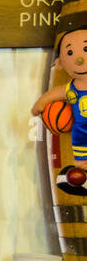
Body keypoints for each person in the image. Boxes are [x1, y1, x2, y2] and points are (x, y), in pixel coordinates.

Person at [32, 21, 87, 196]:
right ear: (60, 63)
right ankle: (81, 176)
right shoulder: (71, 89)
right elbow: (55, 93)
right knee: (81, 161)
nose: (79, 59)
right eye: (70, 52)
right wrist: (40, 104)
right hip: (80, 132)